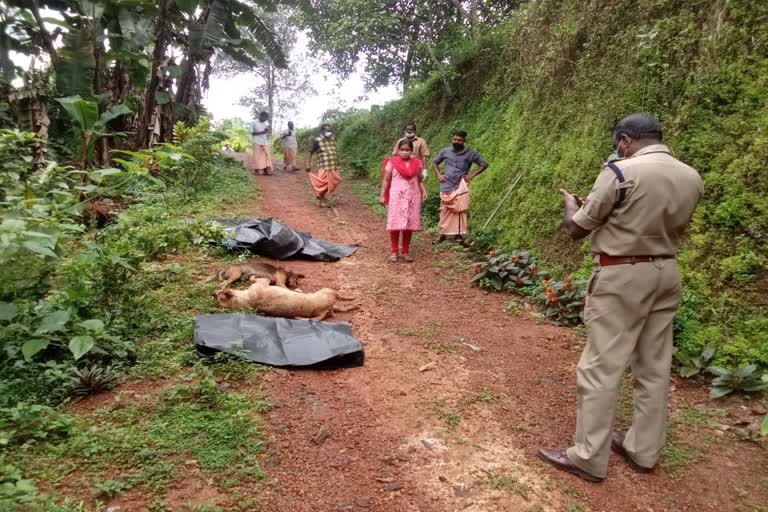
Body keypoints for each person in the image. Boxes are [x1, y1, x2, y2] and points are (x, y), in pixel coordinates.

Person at [538, 113, 704, 482]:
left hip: (622, 274)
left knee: (600, 366)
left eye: (619, 143)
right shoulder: (691, 177)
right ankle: (643, 450)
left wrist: (570, 204)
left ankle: (588, 457)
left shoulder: (619, 172)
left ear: (626, 140)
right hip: (667, 273)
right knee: (654, 366)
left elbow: (577, 228)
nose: (617, 149)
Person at [431, 130, 488, 242]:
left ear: (464, 141)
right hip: (446, 185)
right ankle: (442, 235)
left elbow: (484, 164)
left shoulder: (471, 154)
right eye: (455, 139)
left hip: (460, 186)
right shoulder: (445, 151)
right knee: (444, 210)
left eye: (459, 140)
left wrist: (471, 175)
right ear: (452, 139)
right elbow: (434, 162)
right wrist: (439, 174)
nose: (456, 142)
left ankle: (460, 236)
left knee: (460, 211)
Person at [379, 138, 428, 262]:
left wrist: (424, 191)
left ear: (412, 151)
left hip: (413, 197)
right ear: (398, 150)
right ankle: (394, 252)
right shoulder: (392, 162)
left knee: (409, 225)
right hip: (397, 197)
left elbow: (420, 179)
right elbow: (386, 179)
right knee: (395, 224)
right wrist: (382, 195)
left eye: (407, 150)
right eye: (402, 149)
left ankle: (405, 252)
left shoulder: (417, 163)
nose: (404, 152)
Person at [306, 123, 342, 207]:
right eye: (327, 130)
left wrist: (338, 163)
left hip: (333, 166)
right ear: (322, 131)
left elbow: (334, 152)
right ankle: (321, 201)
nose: (328, 132)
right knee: (322, 184)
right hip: (324, 166)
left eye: (330, 131)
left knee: (334, 182)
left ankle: (321, 196)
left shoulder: (332, 139)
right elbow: (310, 153)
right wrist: (308, 164)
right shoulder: (317, 140)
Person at [250, 111, 272, 176]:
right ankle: (256, 171)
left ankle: (265, 170)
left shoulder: (265, 123)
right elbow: (252, 133)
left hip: (264, 141)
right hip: (256, 142)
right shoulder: (253, 122)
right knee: (256, 156)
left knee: (266, 155)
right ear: (261, 116)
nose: (265, 120)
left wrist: (266, 131)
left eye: (266, 119)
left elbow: (265, 131)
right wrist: (262, 132)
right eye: (264, 118)